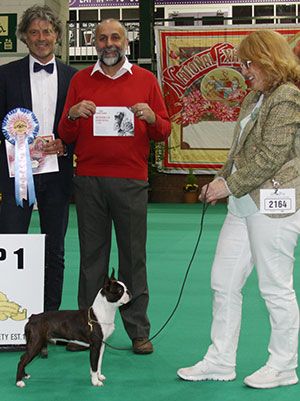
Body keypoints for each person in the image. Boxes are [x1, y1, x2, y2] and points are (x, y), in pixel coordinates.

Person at [177, 30, 300, 389]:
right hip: (242, 204)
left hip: (275, 205)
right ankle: (220, 360)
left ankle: (284, 365)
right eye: (242, 64)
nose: (244, 71)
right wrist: (221, 180)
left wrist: (227, 185)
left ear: (268, 59)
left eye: (248, 63)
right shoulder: (254, 98)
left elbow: (271, 156)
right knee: (223, 281)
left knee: (276, 287)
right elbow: (239, 153)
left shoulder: (288, 97)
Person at [58, 19, 171, 354]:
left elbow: (163, 130)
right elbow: (66, 134)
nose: (109, 44)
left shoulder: (146, 80)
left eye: (116, 38)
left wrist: (152, 117)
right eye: (103, 38)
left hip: (131, 180)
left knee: (133, 258)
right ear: (94, 44)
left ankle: (138, 330)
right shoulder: (80, 80)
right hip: (89, 181)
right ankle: (85, 329)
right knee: (92, 258)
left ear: (127, 41)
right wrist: (72, 114)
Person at [0, 4, 77, 353]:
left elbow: (79, 126)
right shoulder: (5, 74)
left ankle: (51, 324)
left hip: (57, 176)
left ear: (57, 36)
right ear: (25, 37)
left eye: (47, 32)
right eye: (34, 32)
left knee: (55, 250)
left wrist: (66, 143)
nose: (41, 38)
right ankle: (12, 323)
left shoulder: (74, 77)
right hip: (18, 176)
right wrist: (19, 145)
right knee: (12, 245)